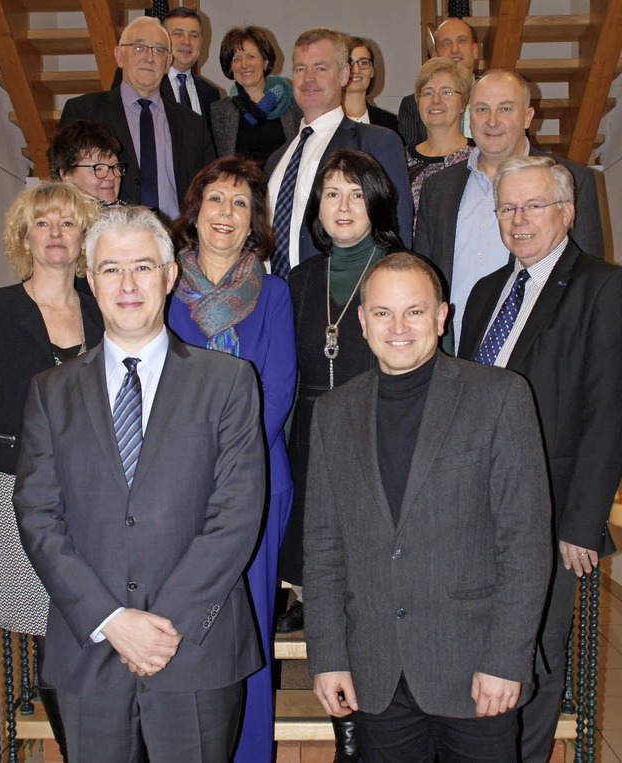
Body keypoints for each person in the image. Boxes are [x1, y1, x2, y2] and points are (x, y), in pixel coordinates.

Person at [14, 205, 266, 762]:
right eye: (110, 269)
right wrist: (112, 621)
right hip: (90, 646)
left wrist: (161, 626)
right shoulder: (49, 392)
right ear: (89, 277)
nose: (127, 284)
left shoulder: (228, 383)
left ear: (170, 276)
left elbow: (237, 514)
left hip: (195, 647)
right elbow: (37, 516)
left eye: (143, 267)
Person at [304, 251, 552, 763]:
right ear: (362, 321)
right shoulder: (333, 413)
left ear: (441, 317)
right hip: (375, 672)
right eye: (382, 313)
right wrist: (327, 657)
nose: (398, 327)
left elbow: (524, 543)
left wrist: (507, 659)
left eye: (414, 311)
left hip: (476, 669)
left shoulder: (500, 397)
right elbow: (323, 549)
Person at [458, 155, 622, 763]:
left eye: (534, 206)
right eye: (507, 208)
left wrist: (582, 521)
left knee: (535, 654)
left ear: (568, 211)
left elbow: (609, 411)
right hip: (477, 511)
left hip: (552, 518)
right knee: (486, 649)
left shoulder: (603, 287)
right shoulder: (483, 293)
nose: (518, 220)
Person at [168, 156, 296, 762]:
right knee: (181, 621)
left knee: (249, 629)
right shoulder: (162, 289)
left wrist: (225, 469)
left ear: (255, 223)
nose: (226, 213)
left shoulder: (273, 295)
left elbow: (279, 388)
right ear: (193, 213)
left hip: (255, 488)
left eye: (241, 204)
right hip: (173, 492)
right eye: (215, 200)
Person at [276, 148, 403, 762]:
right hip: (308, 449)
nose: (343, 205)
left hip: (379, 443)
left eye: (356, 192)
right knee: (321, 583)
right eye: (331, 194)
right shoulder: (298, 282)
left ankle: (371, 726)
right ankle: (344, 725)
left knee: (371, 590)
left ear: (376, 202)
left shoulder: (402, 269)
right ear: (316, 210)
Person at [0, 181, 103, 761]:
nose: (56, 233)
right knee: (12, 637)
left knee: (77, 622)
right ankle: (5, 748)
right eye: (43, 222)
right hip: (7, 486)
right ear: (24, 237)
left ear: (83, 238)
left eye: (68, 223)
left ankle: (80, 744)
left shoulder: (105, 310)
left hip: (90, 493)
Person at [414, 69, 604, 352]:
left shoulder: (571, 180)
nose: (492, 121)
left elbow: (588, 283)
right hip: (453, 356)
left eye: (505, 109)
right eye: (482, 109)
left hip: (538, 353)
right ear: (469, 116)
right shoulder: (438, 188)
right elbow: (424, 279)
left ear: (528, 117)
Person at [264, 27, 412, 277]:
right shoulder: (276, 159)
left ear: (344, 74)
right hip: (275, 303)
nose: (308, 78)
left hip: (343, 300)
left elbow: (398, 235)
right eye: (300, 69)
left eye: (320, 68)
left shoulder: (376, 143)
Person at [60, 16, 215, 220]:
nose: (149, 58)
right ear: (119, 56)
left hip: (175, 244)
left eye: (158, 50)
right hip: (105, 240)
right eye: (139, 48)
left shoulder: (194, 125)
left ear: (168, 62)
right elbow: (63, 184)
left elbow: (210, 189)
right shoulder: (83, 112)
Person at [210, 26, 302, 167]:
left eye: (251, 56)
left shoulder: (292, 103)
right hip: (240, 187)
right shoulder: (219, 110)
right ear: (230, 67)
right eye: (236, 59)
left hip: (284, 187)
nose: (244, 64)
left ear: (265, 62)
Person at [407, 57, 473, 227]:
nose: (436, 100)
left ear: (463, 103)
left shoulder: (479, 159)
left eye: (446, 92)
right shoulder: (399, 160)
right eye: (428, 92)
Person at [398, 17, 478, 147]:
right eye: (446, 43)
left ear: (475, 50)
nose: (454, 49)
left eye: (461, 41)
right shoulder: (412, 106)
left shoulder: (492, 100)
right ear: (435, 55)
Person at [161, 6, 221, 127]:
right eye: (178, 34)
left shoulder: (211, 94)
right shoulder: (149, 85)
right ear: (163, 39)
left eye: (194, 35)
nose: (187, 42)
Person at [48, 120, 125, 205]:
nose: (111, 176)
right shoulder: (50, 216)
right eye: (98, 168)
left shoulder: (136, 216)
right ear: (66, 174)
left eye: (114, 167)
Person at [342, 36, 400, 135]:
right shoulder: (323, 120)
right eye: (349, 63)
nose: (356, 70)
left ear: (372, 71)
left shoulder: (388, 122)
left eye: (363, 62)